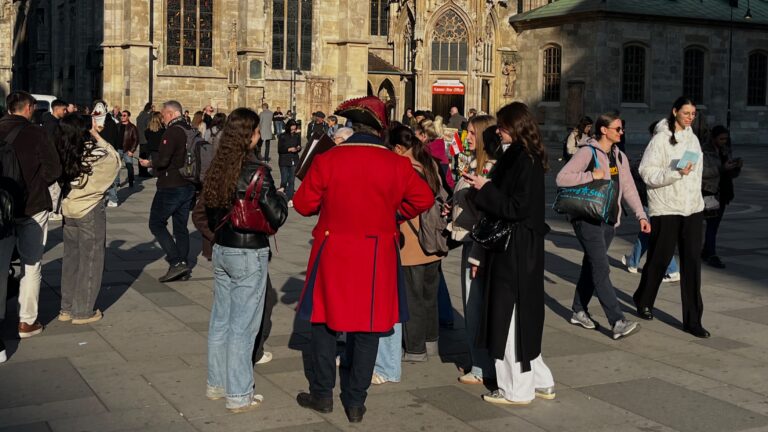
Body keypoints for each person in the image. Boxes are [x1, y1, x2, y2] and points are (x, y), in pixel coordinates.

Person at [293, 96, 434, 423]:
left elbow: (302, 204)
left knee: (324, 323)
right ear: (380, 130)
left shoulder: (328, 159)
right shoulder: (396, 164)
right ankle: (356, 402)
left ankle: (323, 394)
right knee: (369, 327)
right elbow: (423, 198)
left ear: (352, 127)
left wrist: (328, 205)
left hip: (333, 250)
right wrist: (394, 215)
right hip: (377, 253)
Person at [463, 102, 554, 405]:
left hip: (514, 247)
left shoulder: (521, 159)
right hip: (521, 246)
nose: (498, 131)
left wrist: (485, 188)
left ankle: (516, 389)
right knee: (521, 314)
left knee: (510, 317)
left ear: (515, 128)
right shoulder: (524, 155)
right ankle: (540, 380)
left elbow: (516, 207)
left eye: (503, 127)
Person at [202, 107, 288, 413]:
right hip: (249, 252)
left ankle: (216, 384)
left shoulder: (217, 167)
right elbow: (277, 216)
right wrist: (279, 196)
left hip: (223, 249)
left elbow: (208, 212)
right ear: (249, 135)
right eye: (256, 131)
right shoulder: (258, 172)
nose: (259, 136)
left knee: (220, 320)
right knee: (243, 326)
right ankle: (238, 394)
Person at [556, 112, 647, 340]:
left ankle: (578, 310)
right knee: (601, 268)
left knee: (592, 265)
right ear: (604, 130)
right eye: (618, 128)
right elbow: (561, 178)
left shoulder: (619, 156)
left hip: (609, 220)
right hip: (587, 219)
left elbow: (629, 188)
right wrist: (590, 175)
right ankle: (617, 321)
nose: (621, 132)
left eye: (622, 128)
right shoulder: (587, 152)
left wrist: (641, 216)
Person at [633, 97, 709, 338]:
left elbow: (696, 174)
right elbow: (646, 172)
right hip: (666, 207)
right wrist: (675, 172)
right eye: (686, 113)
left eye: (693, 114)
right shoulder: (660, 139)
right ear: (675, 111)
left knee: (692, 263)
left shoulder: (693, 139)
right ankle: (643, 299)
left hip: (692, 208)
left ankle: (693, 320)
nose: (690, 117)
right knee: (659, 257)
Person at [0, 91, 62, 341]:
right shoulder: (37, 133)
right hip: (32, 206)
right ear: (28, 108)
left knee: (0, 265)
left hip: (1, 210)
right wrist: (36, 182)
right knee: (31, 263)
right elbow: (54, 170)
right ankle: (26, 321)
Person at [56, 114, 121, 324]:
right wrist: (96, 135)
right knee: (91, 260)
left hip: (69, 209)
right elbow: (115, 159)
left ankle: (66, 308)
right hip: (89, 209)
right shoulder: (96, 152)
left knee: (71, 260)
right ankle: (83, 310)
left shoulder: (64, 151)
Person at [449, 114, 498, 384]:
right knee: (472, 304)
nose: (466, 137)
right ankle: (477, 360)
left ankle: (481, 367)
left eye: (471, 133)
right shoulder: (473, 163)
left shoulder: (489, 168)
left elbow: (487, 212)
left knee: (475, 304)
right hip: (468, 237)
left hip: (478, 243)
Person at [139, 101, 196, 282]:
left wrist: (150, 163)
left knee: (156, 223)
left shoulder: (172, 132)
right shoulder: (191, 129)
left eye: (163, 115)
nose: (162, 119)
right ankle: (183, 266)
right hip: (188, 184)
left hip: (171, 185)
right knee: (180, 227)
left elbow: (163, 160)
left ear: (171, 114)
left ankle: (176, 262)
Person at [622, 122, 680, 281]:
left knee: (658, 236)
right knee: (648, 232)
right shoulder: (659, 153)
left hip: (660, 202)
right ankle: (633, 261)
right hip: (654, 201)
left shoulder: (667, 154)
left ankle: (672, 270)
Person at [701, 125, 741, 269]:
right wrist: (721, 168)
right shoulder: (704, 151)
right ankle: (711, 254)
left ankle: (707, 251)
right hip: (710, 192)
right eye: (721, 139)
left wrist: (736, 167)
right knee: (712, 223)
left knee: (715, 224)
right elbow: (702, 172)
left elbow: (730, 174)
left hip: (724, 192)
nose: (724, 141)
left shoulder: (725, 150)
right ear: (713, 138)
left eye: (725, 139)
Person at [42, 99, 68, 221]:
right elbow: (52, 145)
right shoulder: (52, 125)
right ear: (56, 109)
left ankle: (54, 210)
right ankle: (52, 212)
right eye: (64, 109)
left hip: (54, 160)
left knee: (56, 188)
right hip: (53, 161)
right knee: (54, 188)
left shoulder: (53, 122)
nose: (65, 112)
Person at [277, 119, 301, 207]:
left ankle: (290, 199)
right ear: (288, 127)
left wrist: (298, 148)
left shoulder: (297, 136)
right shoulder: (282, 136)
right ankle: (281, 198)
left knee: (291, 181)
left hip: (294, 160)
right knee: (284, 180)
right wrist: (289, 149)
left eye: (295, 128)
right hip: (284, 160)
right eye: (292, 128)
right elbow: (280, 149)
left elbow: (299, 145)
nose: (294, 130)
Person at [119, 110, 138, 188]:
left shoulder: (132, 127)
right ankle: (117, 183)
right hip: (118, 149)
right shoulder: (118, 125)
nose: (122, 117)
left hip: (127, 150)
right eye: (121, 115)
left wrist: (132, 150)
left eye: (124, 115)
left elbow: (136, 139)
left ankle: (131, 181)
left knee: (129, 166)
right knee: (117, 167)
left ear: (128, 117)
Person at [136, 102, 154, 178]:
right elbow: (148, 128)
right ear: (150, 108)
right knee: (145, 156)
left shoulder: (140, 116)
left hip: (140, 138)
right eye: (153, 107)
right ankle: (144, 172)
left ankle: (141, 171)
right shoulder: (148, 116)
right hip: (146, 139)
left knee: (141, 155)